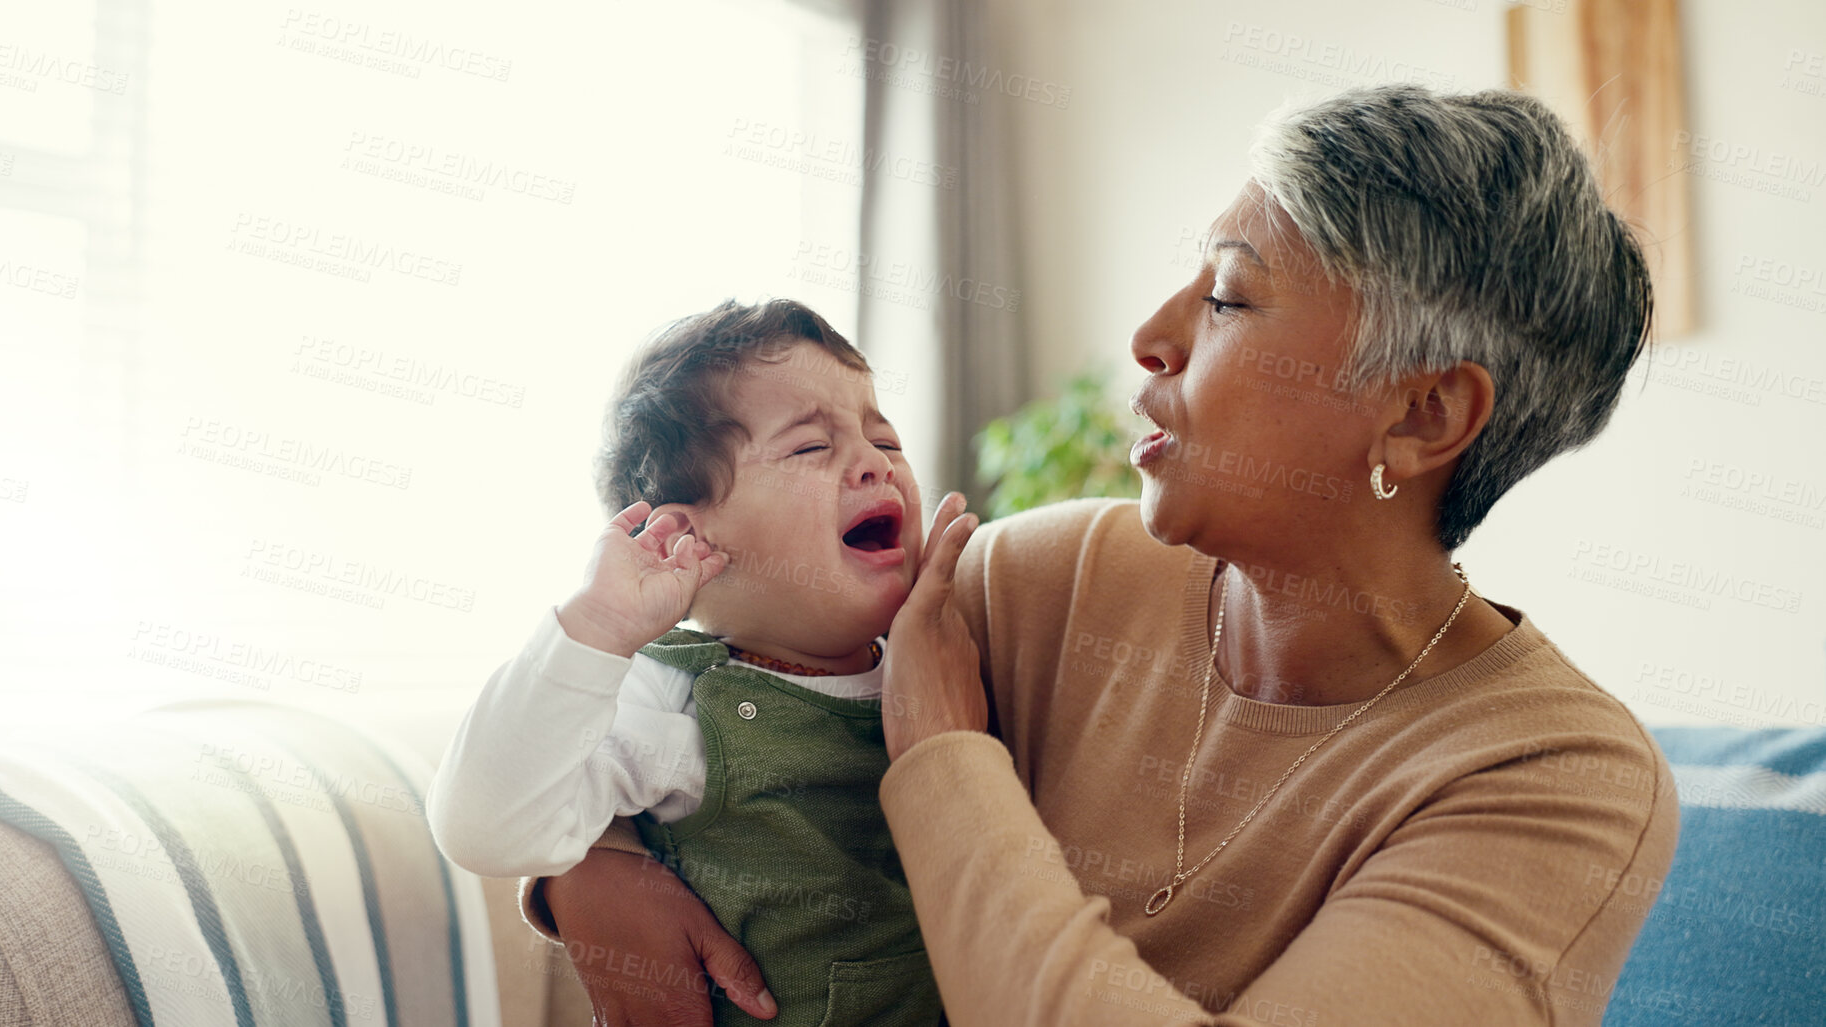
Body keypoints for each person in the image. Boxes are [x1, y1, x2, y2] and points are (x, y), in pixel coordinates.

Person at [522, 84, 1679, 1027]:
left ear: (1424, 418)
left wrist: (941, 757)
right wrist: (592, 866)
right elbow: (705, 642)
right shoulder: (1040, 580)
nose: (1151, 334)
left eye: (1228, 296)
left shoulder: (1557, 783)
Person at [426, 299, 948, 1025]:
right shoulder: (678, 701)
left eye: (885, 439)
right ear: (687, 537)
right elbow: (483, 825)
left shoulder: (952, 651)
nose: (873, 464)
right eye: (809, 447)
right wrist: (597, 625)